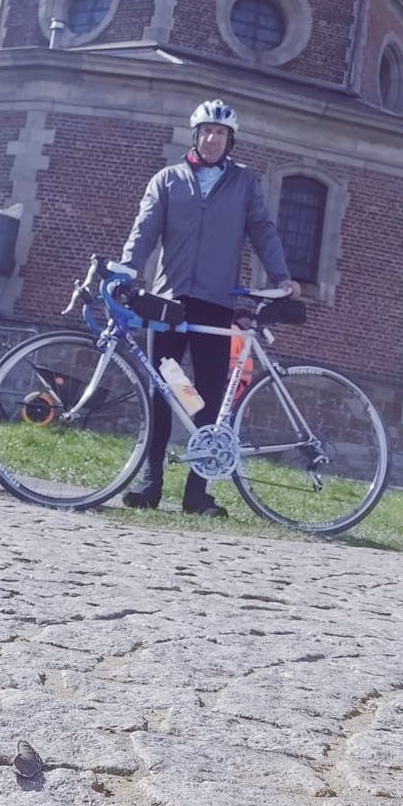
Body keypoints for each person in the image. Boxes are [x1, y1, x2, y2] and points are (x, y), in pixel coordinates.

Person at [118, 99, 299, 518]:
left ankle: (197, 493)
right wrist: (127, 269)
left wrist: (281, 275)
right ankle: (151, 484)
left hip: (216, 304)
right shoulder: (167, 181)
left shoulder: (245, 184)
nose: (212, 139)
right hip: (168, 303)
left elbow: (263, 230)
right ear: (194, 135)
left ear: (230, 140)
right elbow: (143, 231)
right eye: (206, 131)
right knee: (162, 393)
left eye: (220, 133)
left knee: (210, 399)